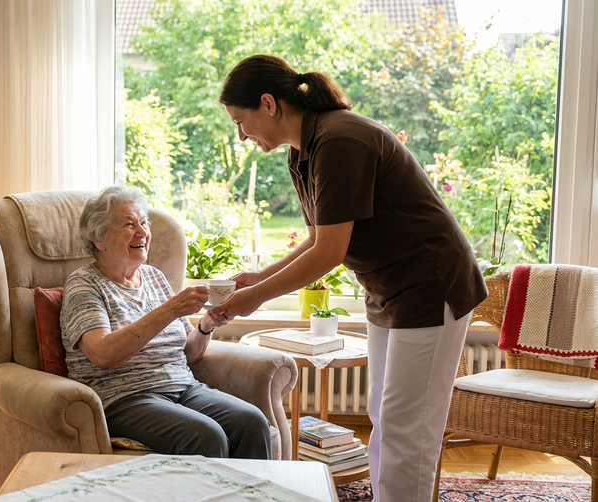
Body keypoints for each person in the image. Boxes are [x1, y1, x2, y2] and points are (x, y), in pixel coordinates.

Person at [210, 55, 487, 501]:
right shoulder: (304, 151)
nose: (241, 135)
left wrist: (255, 297)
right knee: (383, 413)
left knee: (407, 428)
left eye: (241, 122)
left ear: (268, 104)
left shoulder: (341, 139)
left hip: (431, 285)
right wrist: (261, 276)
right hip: (388, 290)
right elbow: (321, 235)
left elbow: (329, 253)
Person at [59, 185, 272, 459]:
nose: (143, 232)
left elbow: (189, 352)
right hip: (124, 398)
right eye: (129, 224)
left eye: (144, 223)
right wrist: (170, 309)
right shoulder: (84, 285)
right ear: (98, 239)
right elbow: (103, 354)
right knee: (205, 436)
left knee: (251, 422)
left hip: (182, 387)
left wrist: (207, 324)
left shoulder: (154, 278)